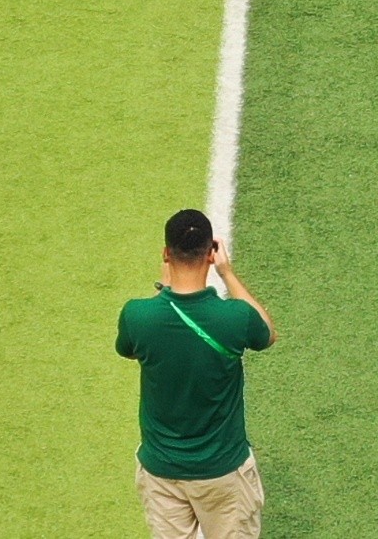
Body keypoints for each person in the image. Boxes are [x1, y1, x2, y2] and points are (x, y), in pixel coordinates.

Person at [118, 209, 275, 539]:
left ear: (165, 253)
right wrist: (228, 274)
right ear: (210, 254)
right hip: (223, 473)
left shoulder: (137, 317)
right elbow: (267, 332)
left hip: (162, 473)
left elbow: (131, 349)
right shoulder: (234, 319)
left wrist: (164, 288)